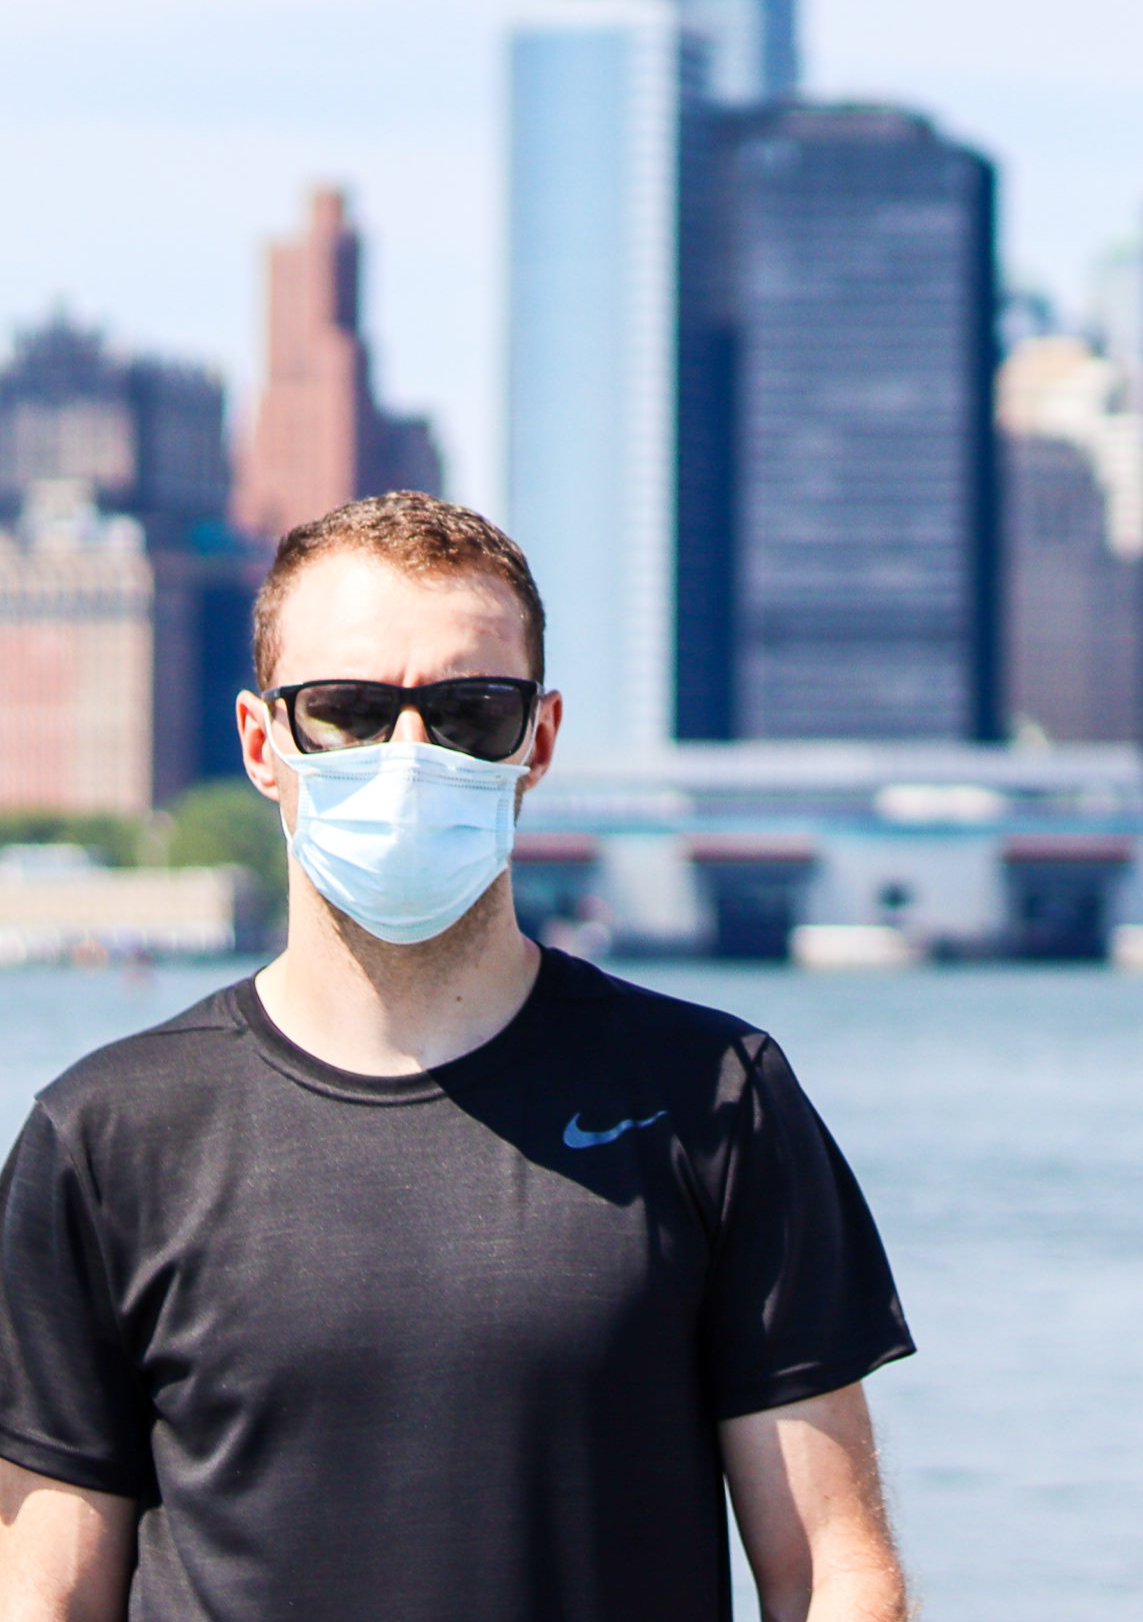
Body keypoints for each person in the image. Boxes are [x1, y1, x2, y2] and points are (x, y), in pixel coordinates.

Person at [0, 493, 912, 1622]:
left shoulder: (716, 1100)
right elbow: (43, 1593)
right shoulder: (104, 1136)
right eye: (347, 710)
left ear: (538, 739)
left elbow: (832, 1575)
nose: (409, 755)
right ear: (261, 742)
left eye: (471, 710)